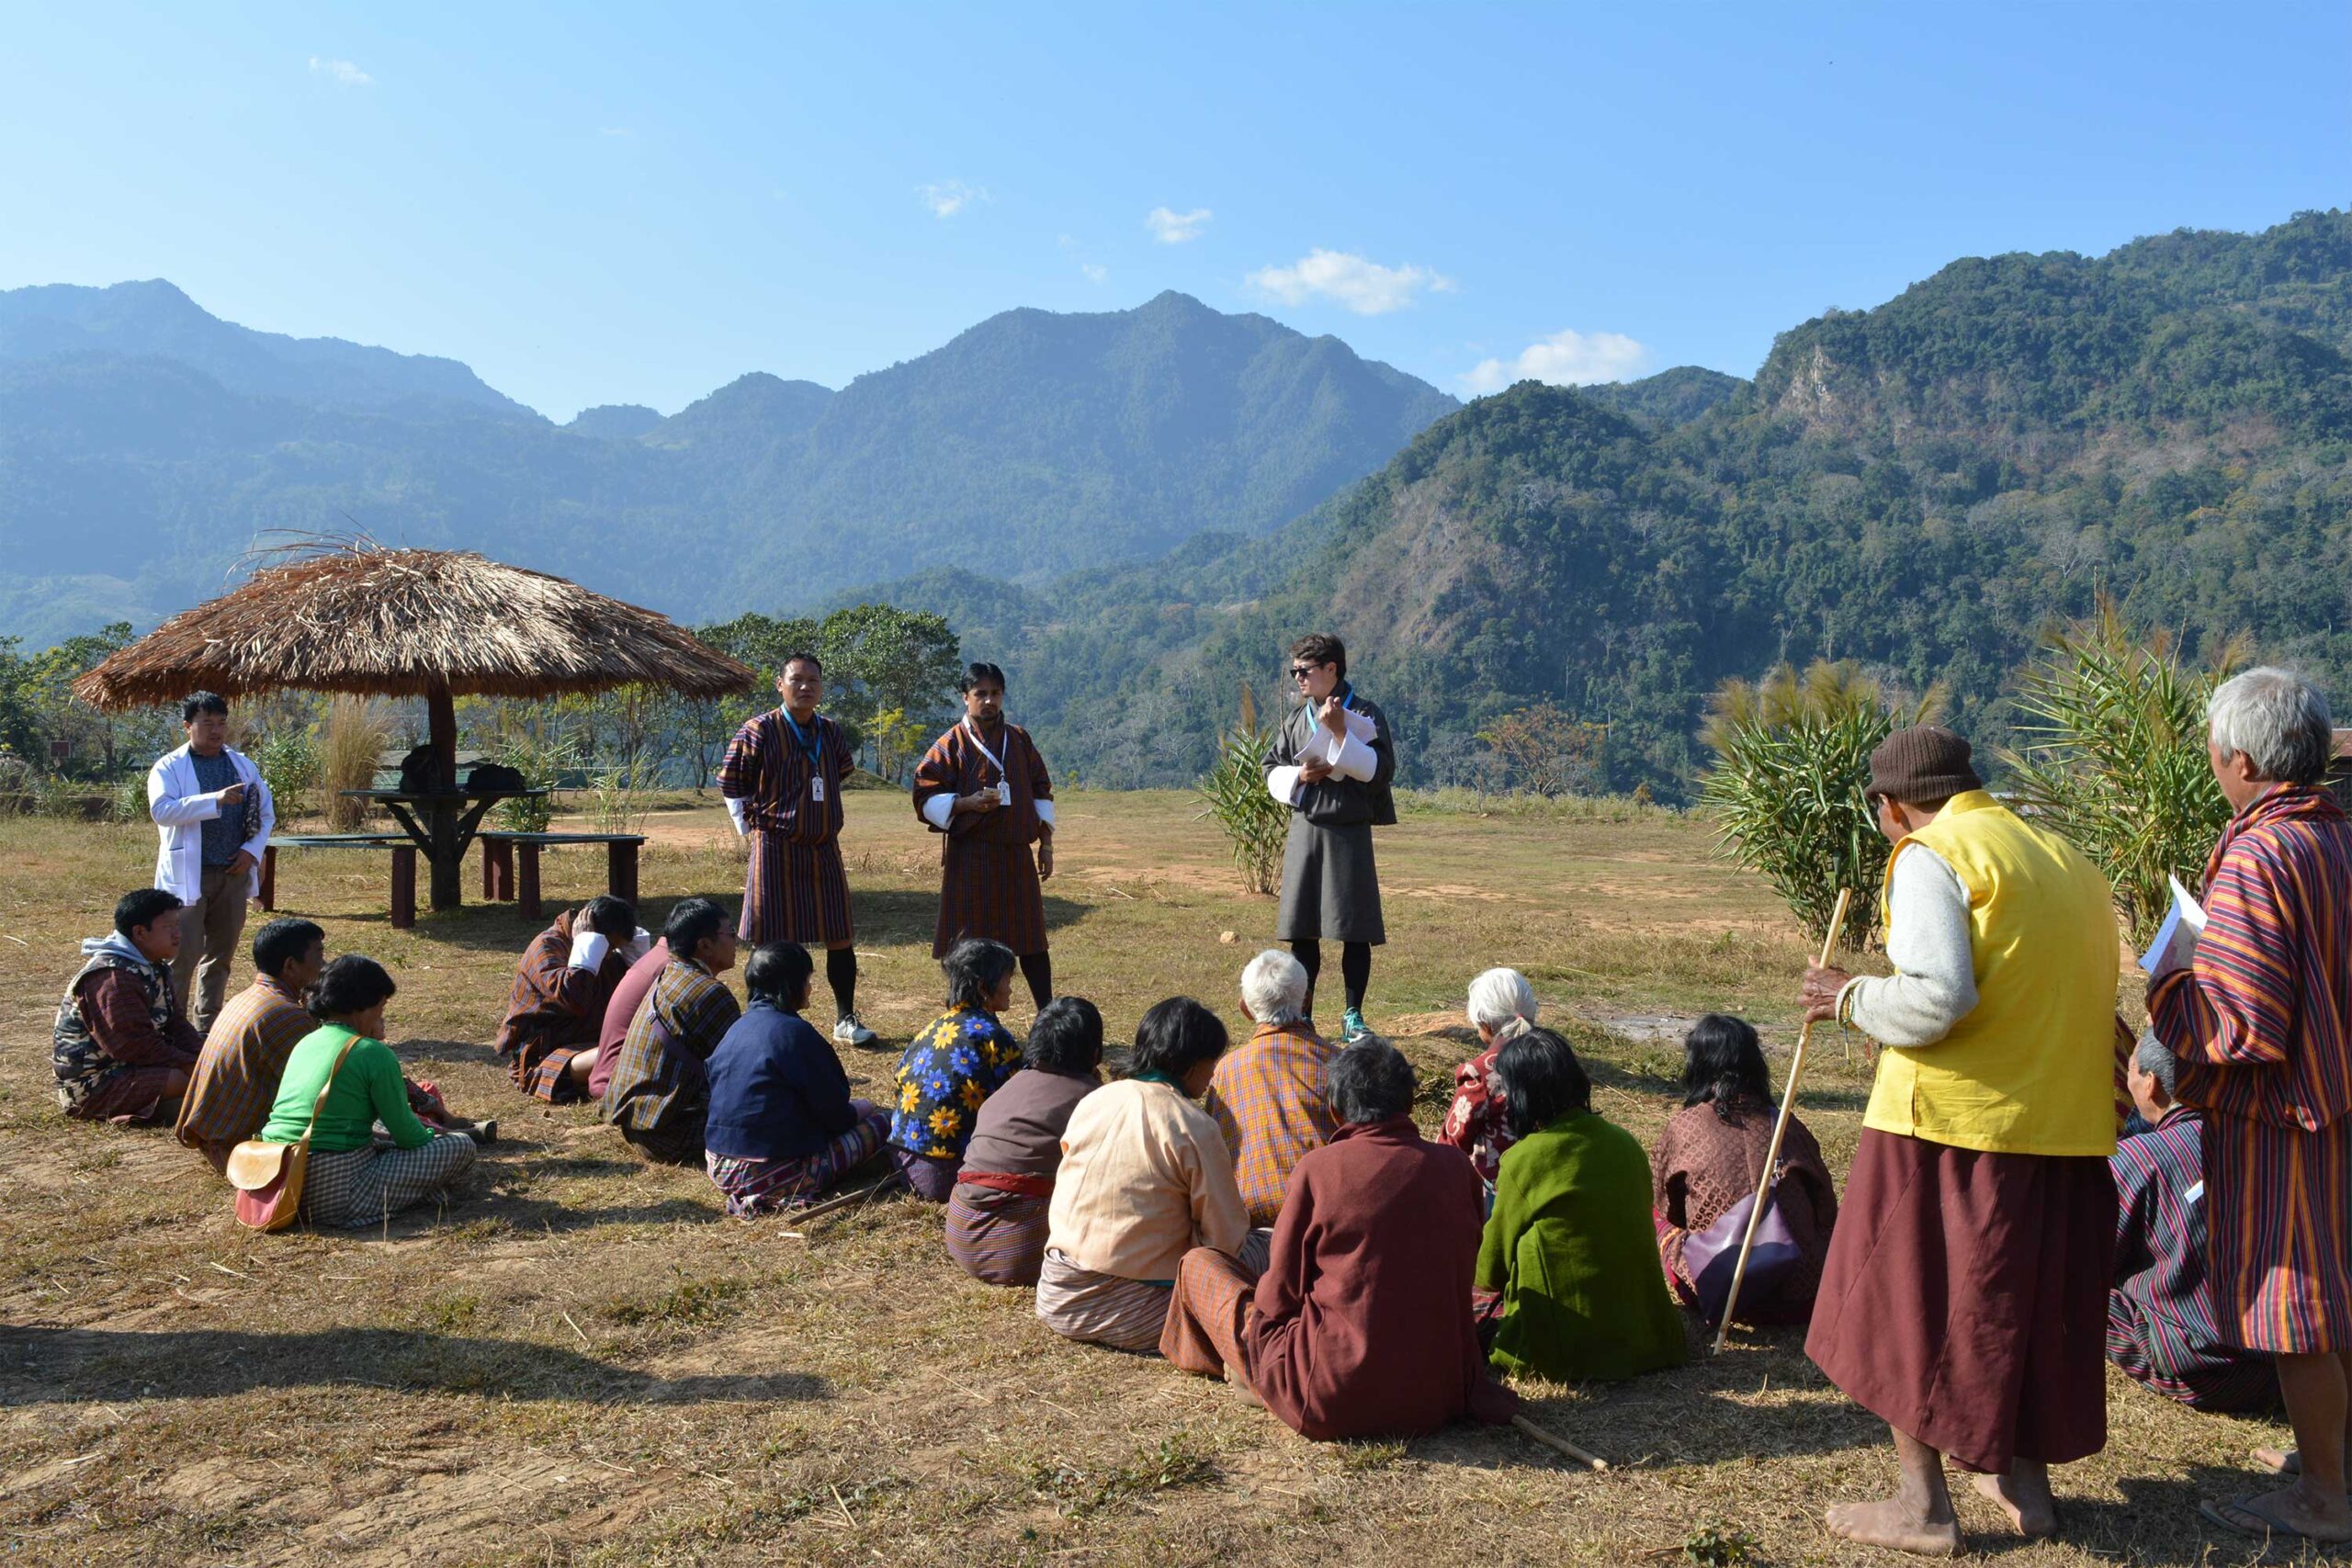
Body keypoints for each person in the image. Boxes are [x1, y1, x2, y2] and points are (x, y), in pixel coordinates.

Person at [1800, 725, 2120, 1555]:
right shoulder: (2059, 858)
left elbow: (1938, 997)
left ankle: (1923, 1506)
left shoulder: (1932, 855)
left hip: (1952, 1128)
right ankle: (2027, 1485)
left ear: (1892, 807)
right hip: (2069, 1127)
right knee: (2024, 1310)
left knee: (1903, 1306)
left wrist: (1847, 997)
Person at [2145, 669, 2352, 1544]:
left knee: (2294, 1305)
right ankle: (2327, 1462)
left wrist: (2167, 990)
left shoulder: (2261, 852)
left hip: (2283, 1117)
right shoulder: (2337, 836)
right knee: (2335, 1295)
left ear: (2237, 757)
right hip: (2335, 1099)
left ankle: (2326, 1497)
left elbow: (2242, 1022)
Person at [1162, 1038, 1521, 1439]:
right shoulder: (1456, 1168)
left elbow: (1280, 1293)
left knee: (1199, 1265)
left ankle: (1250, 1373)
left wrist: (1259, 1333)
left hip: (1333, 1396)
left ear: (1334, 1110)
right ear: (1411, 1105)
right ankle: (1251, 1371)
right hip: (1439, 1394)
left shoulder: (1319, 1169)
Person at [1037, 998, 1251, 1353]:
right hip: (1140, 1312)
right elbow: (1226, 1241)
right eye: (1212, 1062)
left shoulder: (1093, 1101)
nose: (1214, 1073)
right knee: (1267, 1247)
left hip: (1059, 1298)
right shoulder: (1193, 1125)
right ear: (1192, 1064)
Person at [1476, 1025, 1687, 1384]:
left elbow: (1489, 1273)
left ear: (1521, 1096)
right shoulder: (1626, 1143)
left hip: (1564, 1353)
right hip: (1650, 1341)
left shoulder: (1523, 1160)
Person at [2108, 1032, 2278, 1415]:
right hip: (2289, 1366)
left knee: (2063, 1278)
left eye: (2131, 1072)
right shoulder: (2264, 1143)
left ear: (2150, 1084)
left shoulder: (2138, 1158)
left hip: (2204, 1370)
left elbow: (2089, 1258)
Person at [718, 650, 874, 1047]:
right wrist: (748, 830)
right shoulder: (758, 730)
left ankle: (845, 1018)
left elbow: (838, 771)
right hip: (775, 845)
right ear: (780, 685)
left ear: (822, 688)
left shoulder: (831, 732)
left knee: (839, 934)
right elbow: (731, 780)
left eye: (813, 681)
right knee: (769, 938)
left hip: (823, 846)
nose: (805, 687)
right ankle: (764, 1020)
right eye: (797, 680)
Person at [260, 955, 478, 1229]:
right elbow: (410, 1137)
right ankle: (423, 1195)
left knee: (376, 1126)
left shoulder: (306, 1042)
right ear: (364, 1005)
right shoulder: (372, 1052)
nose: (381, 1015)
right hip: (332, 1192)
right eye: (381, 1006)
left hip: (278, 1182)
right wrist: (436, 1135)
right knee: (460, 1146)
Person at [1651, 1013, 1838, 1325]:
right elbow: (1827, 1208)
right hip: (1801, 1294)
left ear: (1697, 1065)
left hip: (1720, 1292)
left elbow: (1670, 1211)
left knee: (1656, 1217)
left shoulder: (1683, 1127)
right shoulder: (1786, 1124)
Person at [1261, 633, 1395, 1043]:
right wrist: (1299, 775)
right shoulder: (1296, 719)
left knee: (1355, 927)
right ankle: (1303, 1014)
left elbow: (1382, 770)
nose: (1298, 678)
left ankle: (1353, 1015)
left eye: (1305, 670)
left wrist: (1340, 735)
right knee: (1303, 928)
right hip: (1307, 830)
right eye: (1295, 671)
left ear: (1331, 669)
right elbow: (1271, 767)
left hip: (1349, 831)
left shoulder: (1366, 714)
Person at [702, 942, 890, 1215]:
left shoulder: (735, 1030)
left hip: (719, 1165)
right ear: (791, 986)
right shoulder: (795, 1035)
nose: (810, 988)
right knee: (887, 1121)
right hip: (770, 1172)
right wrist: (864, 1109)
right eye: (808, 980)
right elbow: (836, 1114)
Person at [911, 661, 1057, 1012]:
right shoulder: (951, 743)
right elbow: (923, 794)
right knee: (968, 944)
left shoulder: (1019, 739)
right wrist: (965, 803)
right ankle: (964, 1017)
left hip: (1015, 854)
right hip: (971, 856)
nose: (989, 701)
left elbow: (1042, 789)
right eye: (980, 694)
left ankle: (1047, 1013)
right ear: (965, 698)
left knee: (1031, 940)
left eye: (995, 693)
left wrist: (1046, 843)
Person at [945, 997, 1105, 1286]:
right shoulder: (1092, 1100)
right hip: (1017, 1249)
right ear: (1095, 1052)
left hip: (959, 1231)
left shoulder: (1011, 1085)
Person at [147, 692, 275, 1033]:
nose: (216, 731)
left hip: (232, 873)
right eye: (207, 723)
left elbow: (265, 813)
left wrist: (251, 851)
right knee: (182, 955)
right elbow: (162, 811)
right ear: (188, 726)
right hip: (190, 875)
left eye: (221, 723)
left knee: (221, 956)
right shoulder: (170, 767)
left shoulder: (242, 764)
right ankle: (171, 1030)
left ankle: (208, 1027)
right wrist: (213, 800)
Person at [1202, 950, 1336, 1262]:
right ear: (1306, 1000)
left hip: (1253, 1239)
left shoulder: (1225, 1070)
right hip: (1330, 1228)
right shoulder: (1339, 1063)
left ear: (1245, 1009)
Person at [174, 918, 327, 1171]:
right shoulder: (286, 1015)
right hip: (240, 1150)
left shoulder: (249, 996)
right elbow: (322, 1090)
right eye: (318, 955)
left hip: (217, 1139)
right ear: (290, 966)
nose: (323, 965)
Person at [603, 897, 742, 1166]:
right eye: (731, 933)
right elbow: (743, 1072)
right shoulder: (710, 993)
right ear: (705, 945)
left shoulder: (669, 973)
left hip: (639, 1126)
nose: (736, 941)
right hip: (671, 1135)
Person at [887, 937, 1024, 1201]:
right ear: (985, 988)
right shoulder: (994, 1037)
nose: (1010, 990)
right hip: (948, 1172)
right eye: (1008, 980)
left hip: (903, 1160)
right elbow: (1020, 1104)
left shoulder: (932, 1029)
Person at [52, 888, 203, 1124]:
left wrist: (204, 1055)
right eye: (168, 927)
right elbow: (133, 1046)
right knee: (195, 1080)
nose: (178, 934)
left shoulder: (152, 965)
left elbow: (176, 1024)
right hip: (95, 1086)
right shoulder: (111, 977)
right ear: (140, 932)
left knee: (211, 1066)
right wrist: (191, 1064)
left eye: (177, 925)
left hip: (134, 1066)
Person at [492, 897, 647, 1102]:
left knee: (645, 1046)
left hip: (594, 1042)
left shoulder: (609, 954)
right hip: (546, 1054)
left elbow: (638, 999)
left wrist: (633, 958)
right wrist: (587, 946)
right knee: (627, 1054)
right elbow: (575, 999)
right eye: (609, 948)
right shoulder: (547, 947)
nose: (610, 955)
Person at [1442, 966, 1542, 1201]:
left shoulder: (1481, 1073)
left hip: (1502, 1192)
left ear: (1485, 1025)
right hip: (1554, 1178)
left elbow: (1453, 1142)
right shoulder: (1555, 1057)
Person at [587, 934, 669, 1104]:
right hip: (621, 1082)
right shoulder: (673, 971)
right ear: (704, 943)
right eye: (729, 933)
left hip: (608, 1071)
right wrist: (587, 942)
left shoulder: (654, 959)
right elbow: (574, 997)